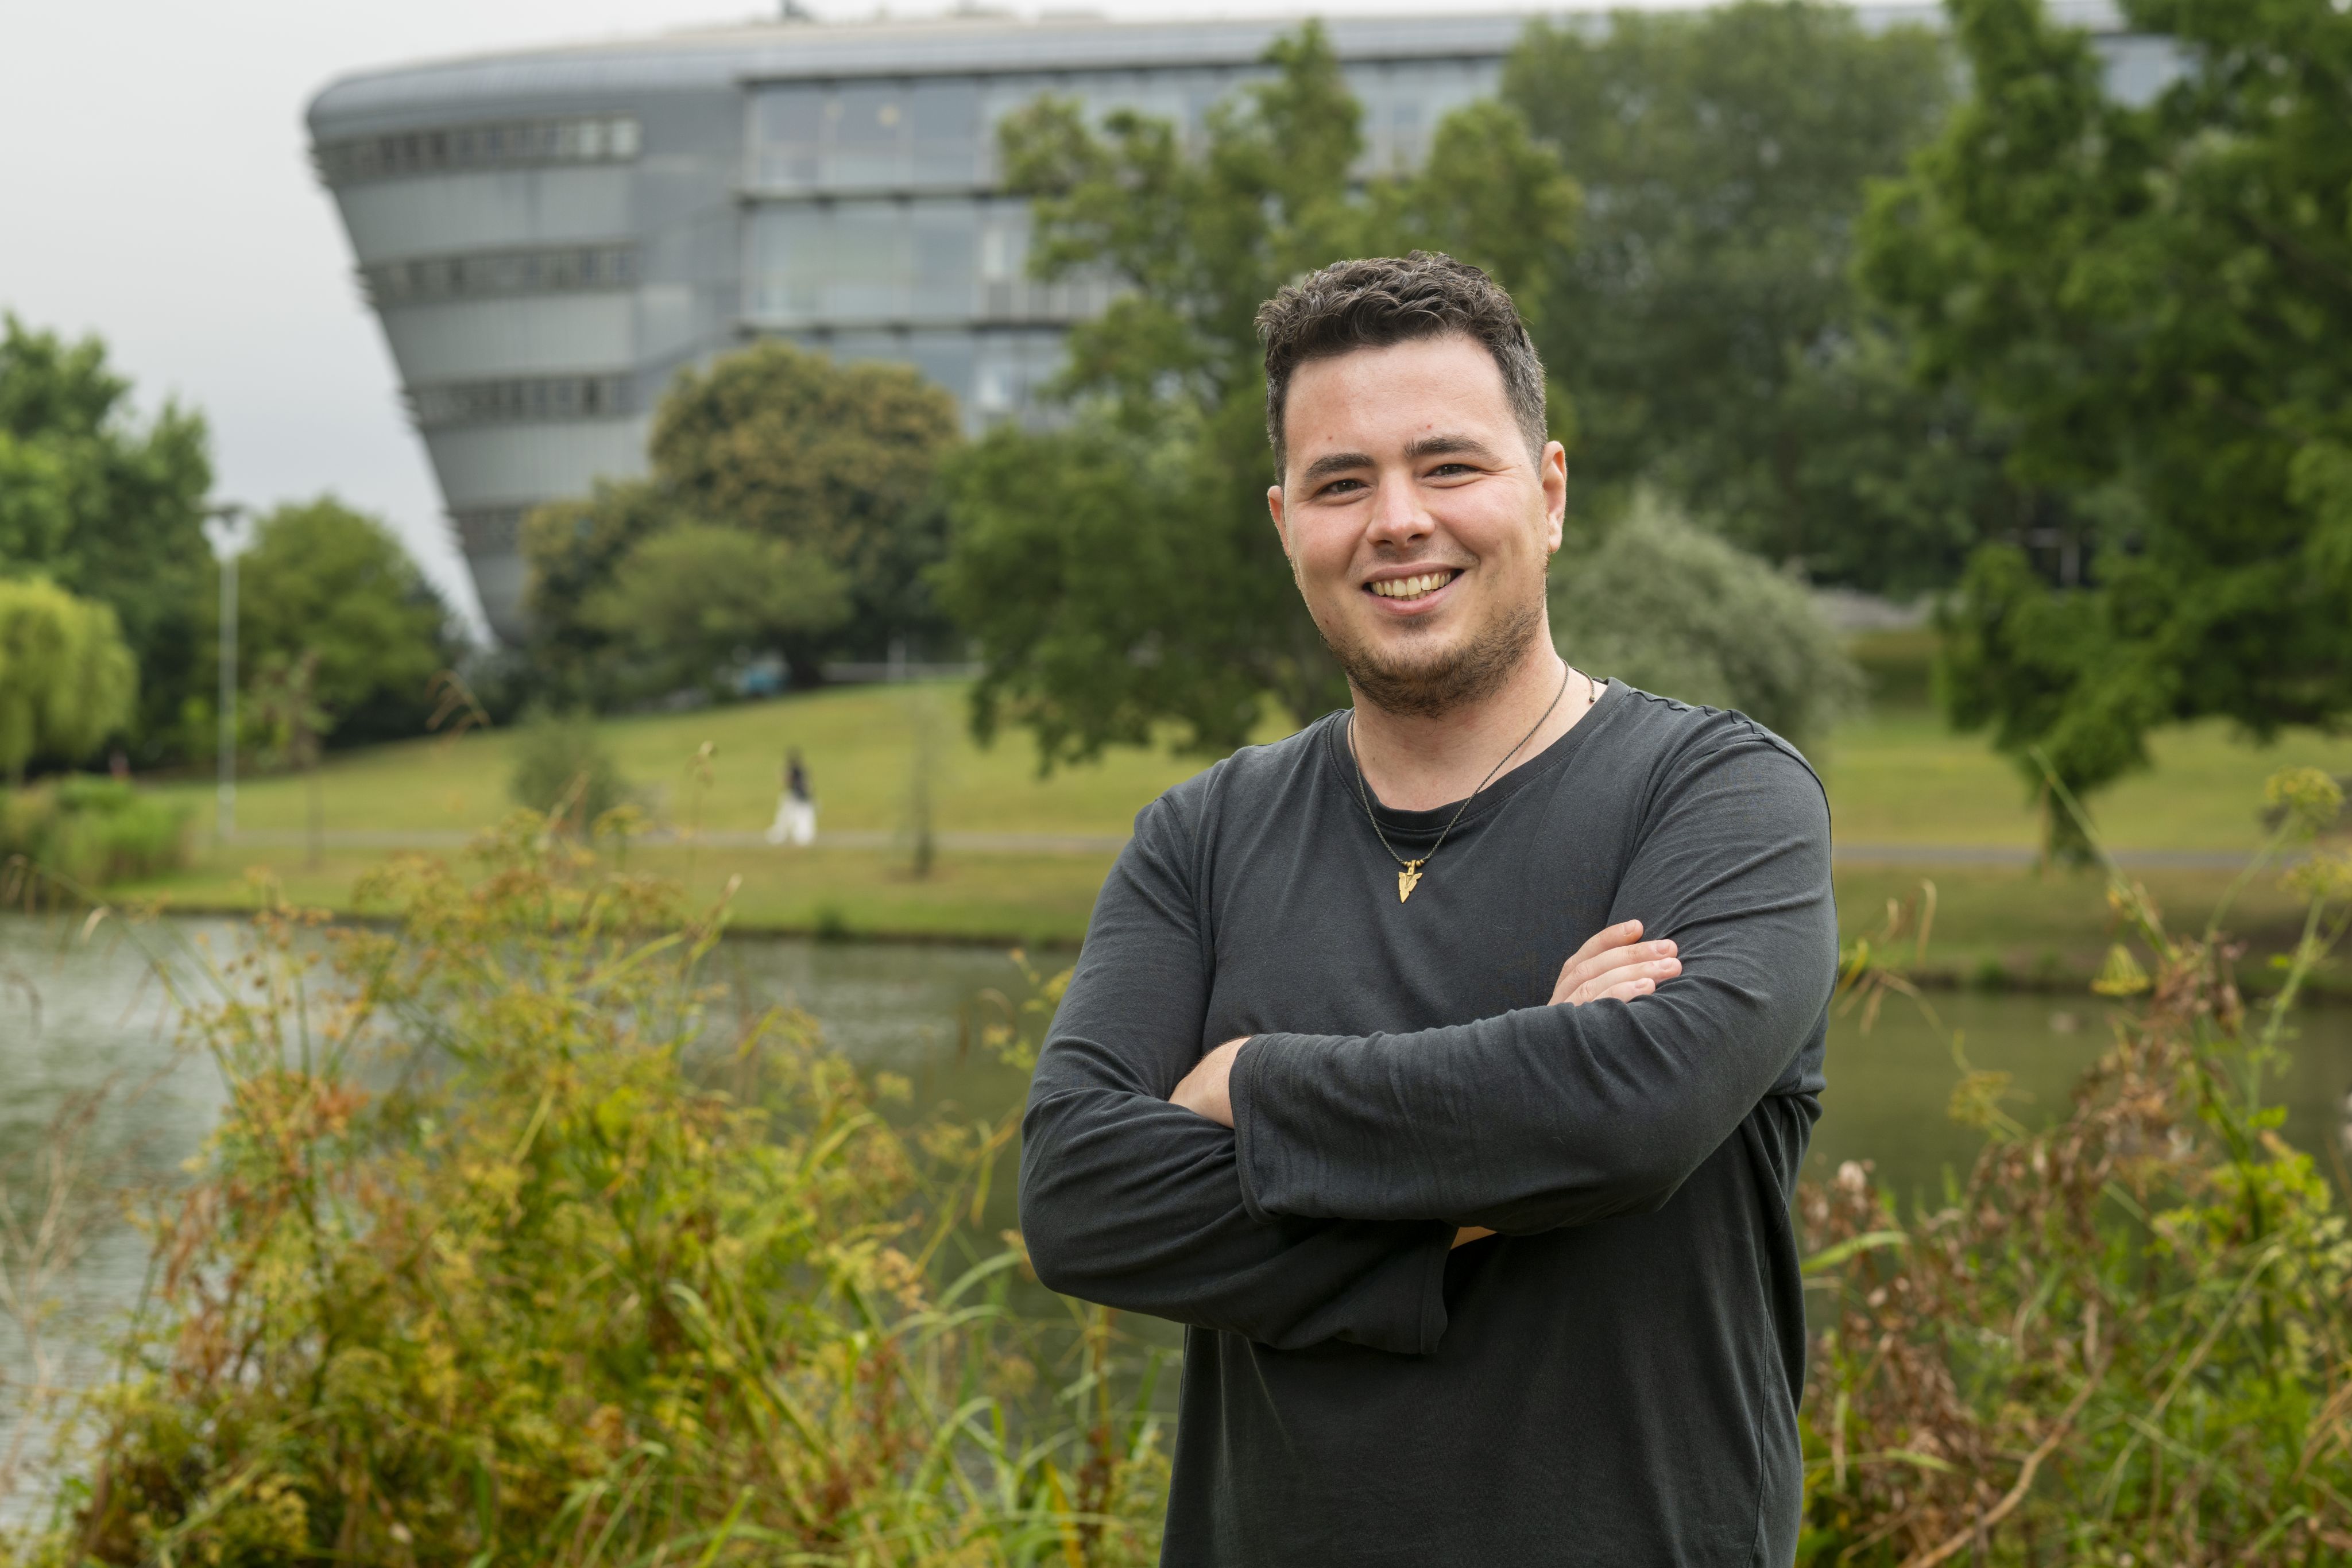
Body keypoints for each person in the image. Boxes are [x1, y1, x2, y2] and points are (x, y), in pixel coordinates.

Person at [1017, 252, 1836, 1565]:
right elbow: (1078, 1195)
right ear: (1287, 522)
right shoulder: (1200, 838)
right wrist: (1488, 1189)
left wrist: (1247, 1086)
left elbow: (1634, 1112)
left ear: (1549, 493)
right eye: (1343, 483)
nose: (1398, 520)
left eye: (1449, 466)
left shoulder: (1721, 799)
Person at [765, 746, 816, 846]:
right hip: (801, 797)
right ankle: (802, 836)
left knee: (790, 816)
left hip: (796, 796)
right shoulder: (803, 770)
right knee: (801, 816)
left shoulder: (795, 770)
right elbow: (808, 785)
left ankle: (797, 836)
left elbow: (787, 780)